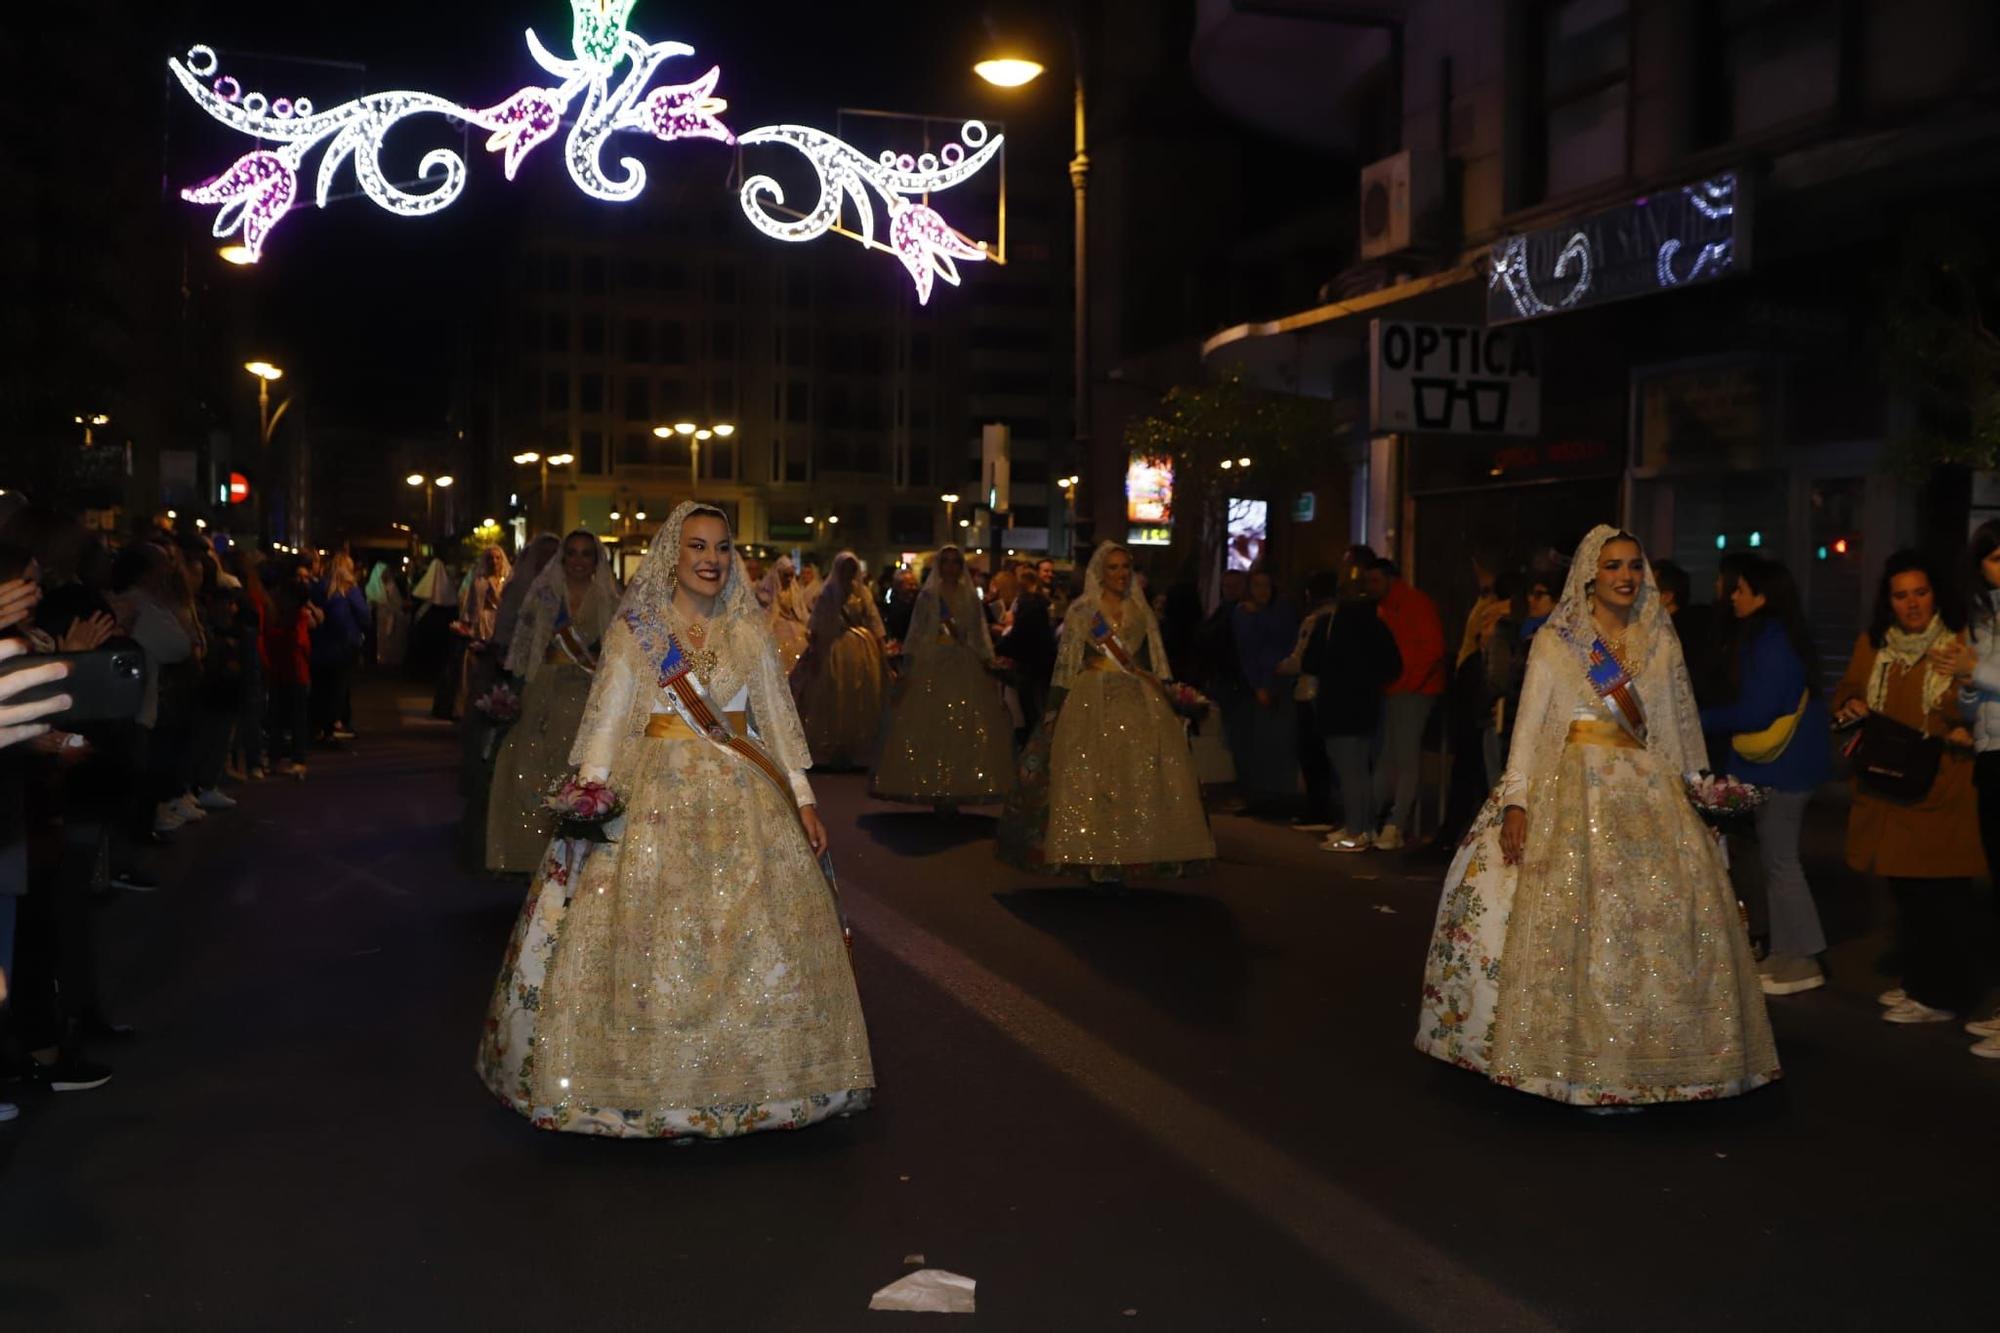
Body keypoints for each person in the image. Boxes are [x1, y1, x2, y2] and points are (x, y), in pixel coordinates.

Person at [477, 501, 871, 1138]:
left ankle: (761, 1087)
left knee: (754, 938)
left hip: (746, 798)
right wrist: (591, 796)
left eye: (721, 547)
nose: (711, 558)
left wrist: (803, 799)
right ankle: (647, 1092)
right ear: (673, 554)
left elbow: (773, 719)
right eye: (697, 546)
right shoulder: (638, 632)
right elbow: (607, 718)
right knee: (652, 945)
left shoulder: (749, 633)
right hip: (656, 798)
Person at [1416, 526, 1779, 1107]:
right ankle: (1574, 1065)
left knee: (1657, 930)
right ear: (1591, 573)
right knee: (1575, 931)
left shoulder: (1660, 641)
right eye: (1613, 566)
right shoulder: (1559, 641)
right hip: (1573, 788)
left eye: (1634, 566)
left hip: (1647, 792)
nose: (1625, 576)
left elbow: (1677, 729)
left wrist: (1699, 796)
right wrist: (1517, 801)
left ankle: (1655, 1063)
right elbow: (1530, 727)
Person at [998, 543, 1215, 881]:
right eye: (1113, 568)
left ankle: (1129, 852)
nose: (1121, 574)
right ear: (1101, 572)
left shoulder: (1140, 612)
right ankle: (1093, 855)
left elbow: (1154, 662)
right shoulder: (1082, 612)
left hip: (1136, 698)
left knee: (1137, 776)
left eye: (1125, 567)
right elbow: (1067, 665)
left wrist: (1171, 694)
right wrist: (1054, 708)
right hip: (1091, 696)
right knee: (1090, 776)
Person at [1833, 549, 1982, 1026]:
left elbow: (1974, 705)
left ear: (1936, 594)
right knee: (1909, 898)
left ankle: (1945, 994)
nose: (1912, 604)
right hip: (1888, 785)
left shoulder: (1959, 642)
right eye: (1901, 595)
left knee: (1944, 901)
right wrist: (1851, 704)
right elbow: (1848, 687)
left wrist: (1956, 721)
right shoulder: (1876, 643)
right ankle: (1921, 984)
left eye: (1921, 592)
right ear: (1888, 601)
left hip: (1942, 788)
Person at [1699, 558, 1833, 996]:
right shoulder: (1777, 637)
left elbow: (1759, 711)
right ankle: (1786, 953)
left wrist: (1699, 719)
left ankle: (1804, 958)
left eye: (1740, 589)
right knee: (1777, 861)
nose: (1733, 597)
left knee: (1781, 862)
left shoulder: (1772, 642)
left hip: (1783, 768)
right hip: (1784, 765)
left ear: (1762, 595)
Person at [484, 531, 620, 874]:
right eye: (571, 553)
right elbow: (526, 646)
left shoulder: (608, 598)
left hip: (589, 693)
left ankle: (577, 859)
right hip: (545, 689)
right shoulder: (544, 594)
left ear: (596, 560)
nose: (578, 560)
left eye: (586, 554)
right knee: (527, 765)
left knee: (579, 770)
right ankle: (534, 859)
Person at [870, 545, 1016, 811]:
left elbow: (978, 631)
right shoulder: (929, 596)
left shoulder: (969, 596)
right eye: (946, 562)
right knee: (931, 723)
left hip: (963, 662)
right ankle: (936, 788)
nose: (950, 567)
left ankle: (956, 788)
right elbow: (917, 631)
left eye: (955, 562)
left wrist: (986, 658)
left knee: (964, 726)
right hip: (934, 661)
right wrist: (911, 661)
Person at [1943, 520, 2000, 1054]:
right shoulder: (1985, 617)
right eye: (1995, 558)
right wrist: (1965, 686)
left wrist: (1975, 670)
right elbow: (1977, 700)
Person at [1304, 572, 1401, 853]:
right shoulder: (1376, 624)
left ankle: (1355, 832)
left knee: (1347, 770)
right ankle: (1364, 827)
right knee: (1361, 769)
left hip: (1337, 705)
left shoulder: (1330, 624)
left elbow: (1310, 663)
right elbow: (1394, 665)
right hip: (1368, 706)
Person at [1367, 558, 1446, 849]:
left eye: (1375, 580)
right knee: (1393, 756)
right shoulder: (1390, 606)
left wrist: (1411, 683)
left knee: (1402, 757)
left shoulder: (1411, 603)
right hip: (1403, 687)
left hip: (1412, 689)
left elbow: (1431, 649)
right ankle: (1377, 822)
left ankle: (1392, 824)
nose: (1371, 587)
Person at [790, 551, 889, 770]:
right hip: (834, 647)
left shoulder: (862, 592)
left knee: (861, 693)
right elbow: (817, 622)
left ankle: (859, 747)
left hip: (862, 648)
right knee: (834, 691)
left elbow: (873, 618)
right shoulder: (829, 593)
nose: (848, 573)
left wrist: (881, 646)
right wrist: (815, 648)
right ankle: (831, 746)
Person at [1229, 569, 1300, 815]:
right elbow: (1248, 653)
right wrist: (1259, 684)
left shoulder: (1280, 611)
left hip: (1282, 678)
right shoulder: (1244, 614)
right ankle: (1263, 797)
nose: (1262, 592)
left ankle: (1281, 796)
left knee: (1280, 742)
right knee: (1261, 742)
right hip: (1262, 681)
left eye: (1266, 586)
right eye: (1257, 586)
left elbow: (1289, 641)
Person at [310, 552, 369, 744]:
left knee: (323, 685)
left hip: (321, 644)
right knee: (340, 685)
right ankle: (335, 724)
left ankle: (320, 725)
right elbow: (363, 615)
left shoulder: (320, 586)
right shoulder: (350, 589)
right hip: (345, 644)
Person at [998, 563, 1057, 738]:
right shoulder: (1039, 604)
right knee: (1035, 705)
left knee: (1029, 708)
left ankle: (1033, 744)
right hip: (1040, 663)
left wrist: (1000, 647)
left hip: (1029, 664)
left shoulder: (1028, 605)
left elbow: (1021, 635)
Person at [759, 555, 812, 674]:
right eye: (785, 575)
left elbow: (800, 611)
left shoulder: (794, 592)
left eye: (791, 575)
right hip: (775, 626)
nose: (789, 579)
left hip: (794, 625)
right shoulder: (767, 592)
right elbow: (766, 612)